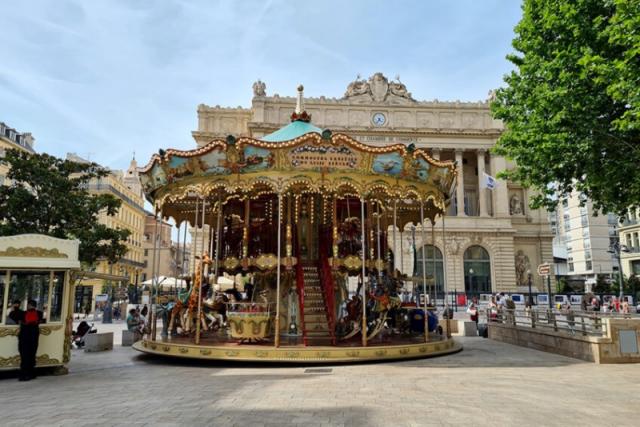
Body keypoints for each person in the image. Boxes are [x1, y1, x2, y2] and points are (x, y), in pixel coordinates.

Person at [16, 300, 43, 381]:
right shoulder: (39, 313)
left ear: (29, 305)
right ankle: (31, 373)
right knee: (31, 354)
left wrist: (16, 307)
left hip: (25, 336)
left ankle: (25, 375)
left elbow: (15, 316)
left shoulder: (24, 313)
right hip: (33, 336)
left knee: (25, 355)